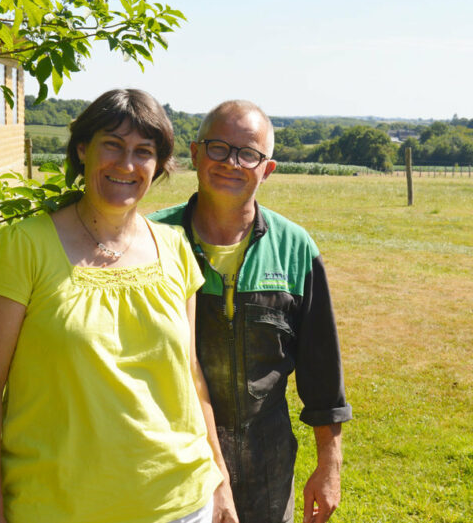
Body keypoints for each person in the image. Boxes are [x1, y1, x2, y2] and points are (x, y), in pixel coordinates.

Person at [0, 89, 237, 523]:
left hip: (181, 505)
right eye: (112, 144)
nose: (126, 164)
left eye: (143, 152)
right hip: (57, 508)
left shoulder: (175, 248)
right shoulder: (22, 248)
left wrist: (220, 479)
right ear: (82, 149)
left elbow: (190, 374)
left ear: (158, 166)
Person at [151, 100, 352, 523]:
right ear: (195, 152)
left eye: (248, 154)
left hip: (268, 466)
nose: (231, 163)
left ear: (268, 168)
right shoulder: (151, 240)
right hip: (173, 467)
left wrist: (329, 464)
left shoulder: (296, 249)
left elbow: (322, 369)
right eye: (218, 148)